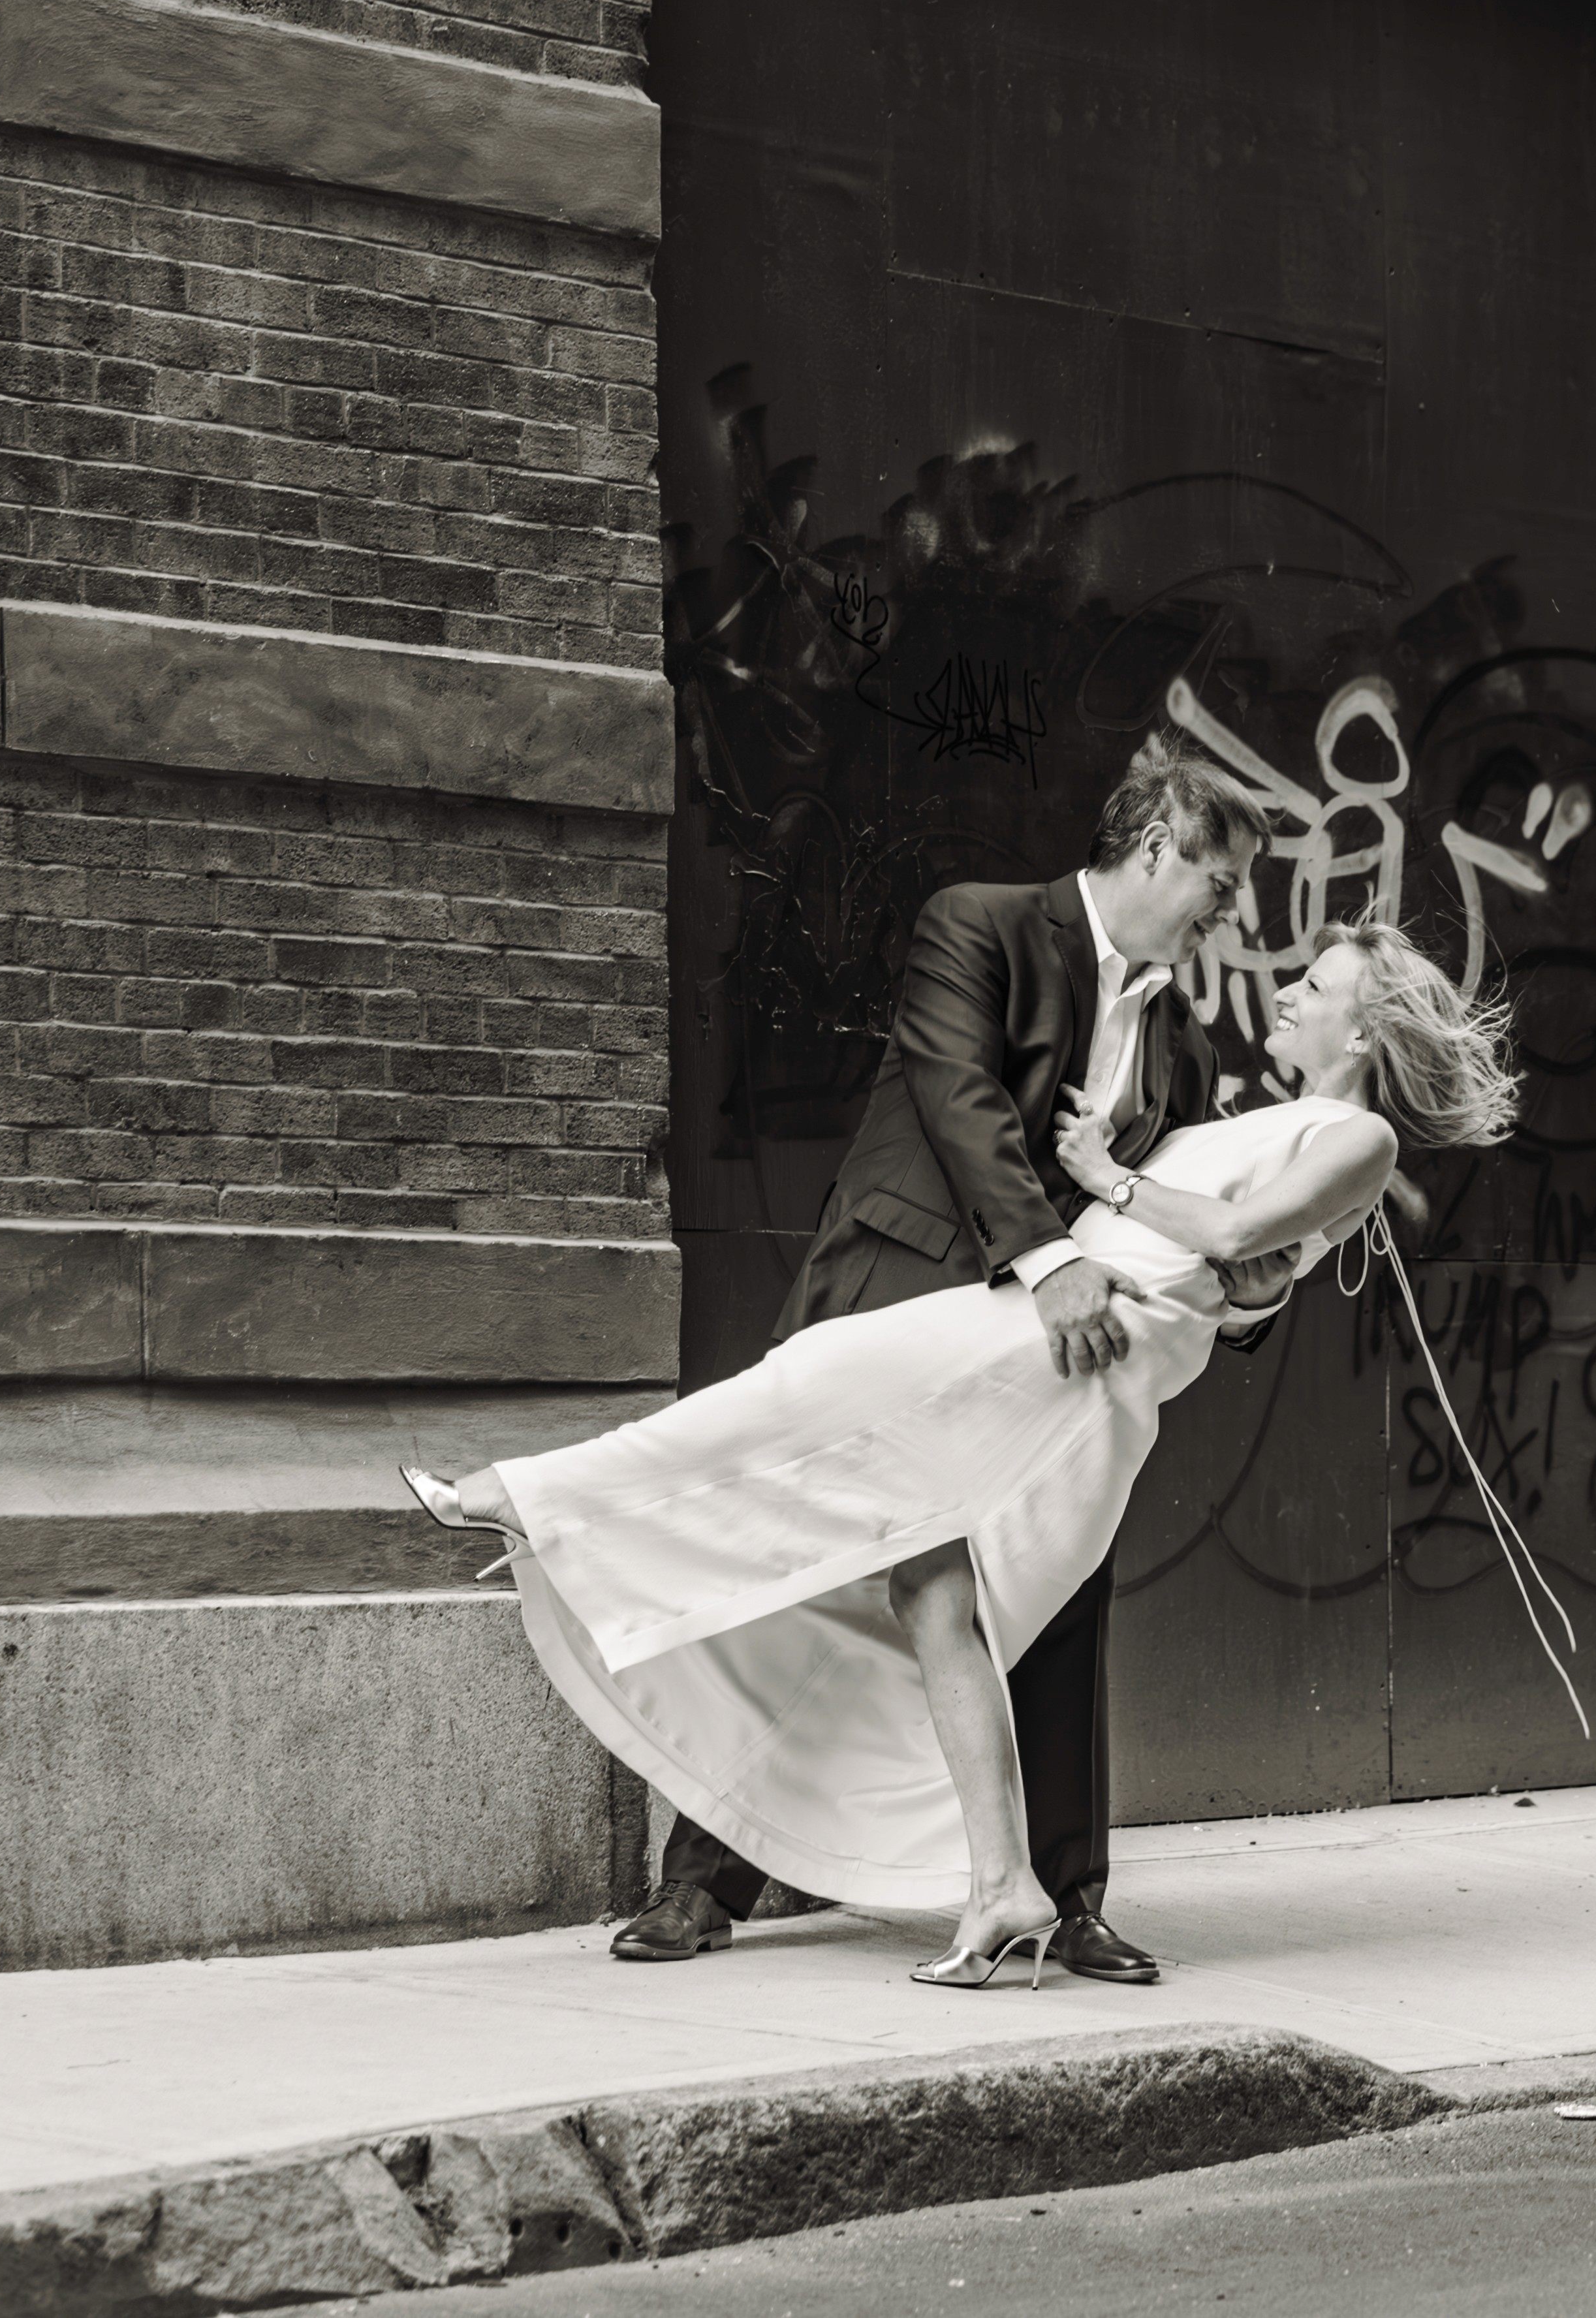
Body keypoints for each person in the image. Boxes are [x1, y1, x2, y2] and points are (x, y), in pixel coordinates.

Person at [405, 913, 1520, 1988]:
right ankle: (999, 1889)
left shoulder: (1346, 1131)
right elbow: (1205, 1246)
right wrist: (1198, 1252)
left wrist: (1111, 1177)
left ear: (1364, 1030)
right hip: (1019, 1328)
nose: (1281, 986)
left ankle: (524, 1496)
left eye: (1314, 986)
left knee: (808, 1400)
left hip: (1055, 1368)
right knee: (934, 1596)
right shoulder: (1065, 988)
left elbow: (1227, 1244)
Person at [624, 741, 1273, 1982]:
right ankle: (699, 1884)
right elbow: (957, 1094)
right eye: (1223, 881)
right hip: (902, 1298)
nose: (1230, 913)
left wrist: (1237, 1301)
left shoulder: (1182, 1044)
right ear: (1155, 849)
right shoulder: (976, 926)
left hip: (1058, 1360)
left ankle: (1066, 1895)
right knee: (808, 1577)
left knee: (1065, 1588)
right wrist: (1045, 1257)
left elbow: (1173, 1210)